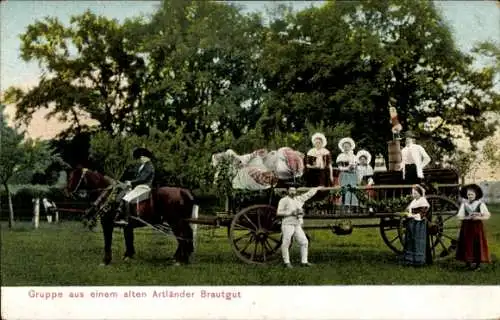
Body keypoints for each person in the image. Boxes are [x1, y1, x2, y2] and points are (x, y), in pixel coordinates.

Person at [277, 186, 322, 268]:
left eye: (294, 190)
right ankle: (286, 262)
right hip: (288, 224)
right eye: (291, 190)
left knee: (304, 242)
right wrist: (291, 213)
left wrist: (316, 188)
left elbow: (308, 195)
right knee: (286, 242)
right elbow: (278, 212)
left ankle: (304, 262)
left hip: (297, 224)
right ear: (287, 191)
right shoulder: (283, 200)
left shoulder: (299, 199)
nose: (292, 192)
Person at [115, 147, 156, 225]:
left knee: (127, 198)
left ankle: (126, 219)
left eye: (142, 157)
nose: (141, 158)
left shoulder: (149, 167)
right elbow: (134, 175)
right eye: (141, 157)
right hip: (137, 187)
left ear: (147, 158)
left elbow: (143, 178)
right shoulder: (141, 166)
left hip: (144, 187)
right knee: (122, 194)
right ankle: (119, 212)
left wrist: (131, 182)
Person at [455, 184, 491, 271]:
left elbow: (487, 215)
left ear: (476, 195)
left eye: (472, 194)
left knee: (477, 244)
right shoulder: (465, 204)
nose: (470, 196)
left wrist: (478, 216)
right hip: (467, 227)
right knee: (467, 244)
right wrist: (467, 217)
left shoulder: (480, 204)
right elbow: (460, 215)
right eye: (468, 195)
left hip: (477, 227)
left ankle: (477, 264)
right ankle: (468, 262)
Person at [401, 184, 433, 266]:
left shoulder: (423, 201)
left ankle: (419, 260)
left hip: (420, 224)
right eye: (413, 193)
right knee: (411, 240)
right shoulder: (414, 201)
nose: (414, 195)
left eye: (415, 193)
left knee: (418, 241)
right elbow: (409, 210)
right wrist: (408, 214)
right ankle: (410, 260)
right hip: (412, 224)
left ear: (420, 193)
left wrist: (412, 215)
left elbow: (423, 213)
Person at [336, 137, 358, 209]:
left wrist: (353, 166)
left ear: (350, 147)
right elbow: (339, 167)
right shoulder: (340, 156)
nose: (346, 147)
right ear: (342, 147)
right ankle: (344, 205)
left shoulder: (354, 156)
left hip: (352, 175)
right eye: (344, 146)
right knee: (344, 189)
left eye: (347, 146)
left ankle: (353, 206)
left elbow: (356, 166)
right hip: (344, 174)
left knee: (353, 189)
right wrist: (346, 168)